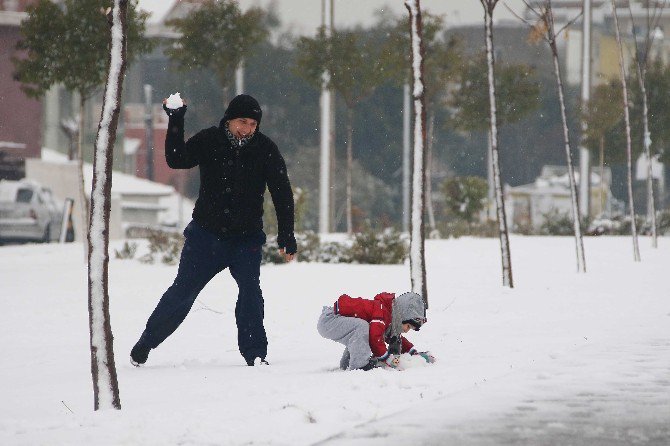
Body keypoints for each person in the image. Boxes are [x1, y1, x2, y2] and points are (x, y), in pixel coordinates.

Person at [131, 94, 296, 367]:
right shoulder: (210, 140)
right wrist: (176, 121)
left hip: (246, 240)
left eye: (253, 124)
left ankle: (255, 354)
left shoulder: (265, 149)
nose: (248, 129)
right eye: (242, 122)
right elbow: (177, 159)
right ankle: (147, 342)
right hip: (205, 237)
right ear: (229, 120)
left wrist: (286, 234)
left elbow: (282, 193)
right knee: (182, 292)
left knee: (250, 292)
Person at [317, 291, 436, 371]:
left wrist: (413, 352)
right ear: (403, 316)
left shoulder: (389, 320)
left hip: (334, 321)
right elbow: (375, 338)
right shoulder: (381, 312)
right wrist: (386, 358)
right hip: (330, 319)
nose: (407, 330)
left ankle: (347, 364)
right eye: (408, 326)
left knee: (362, 332)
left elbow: (395, 337)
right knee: (362, 327)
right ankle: (359, 365)